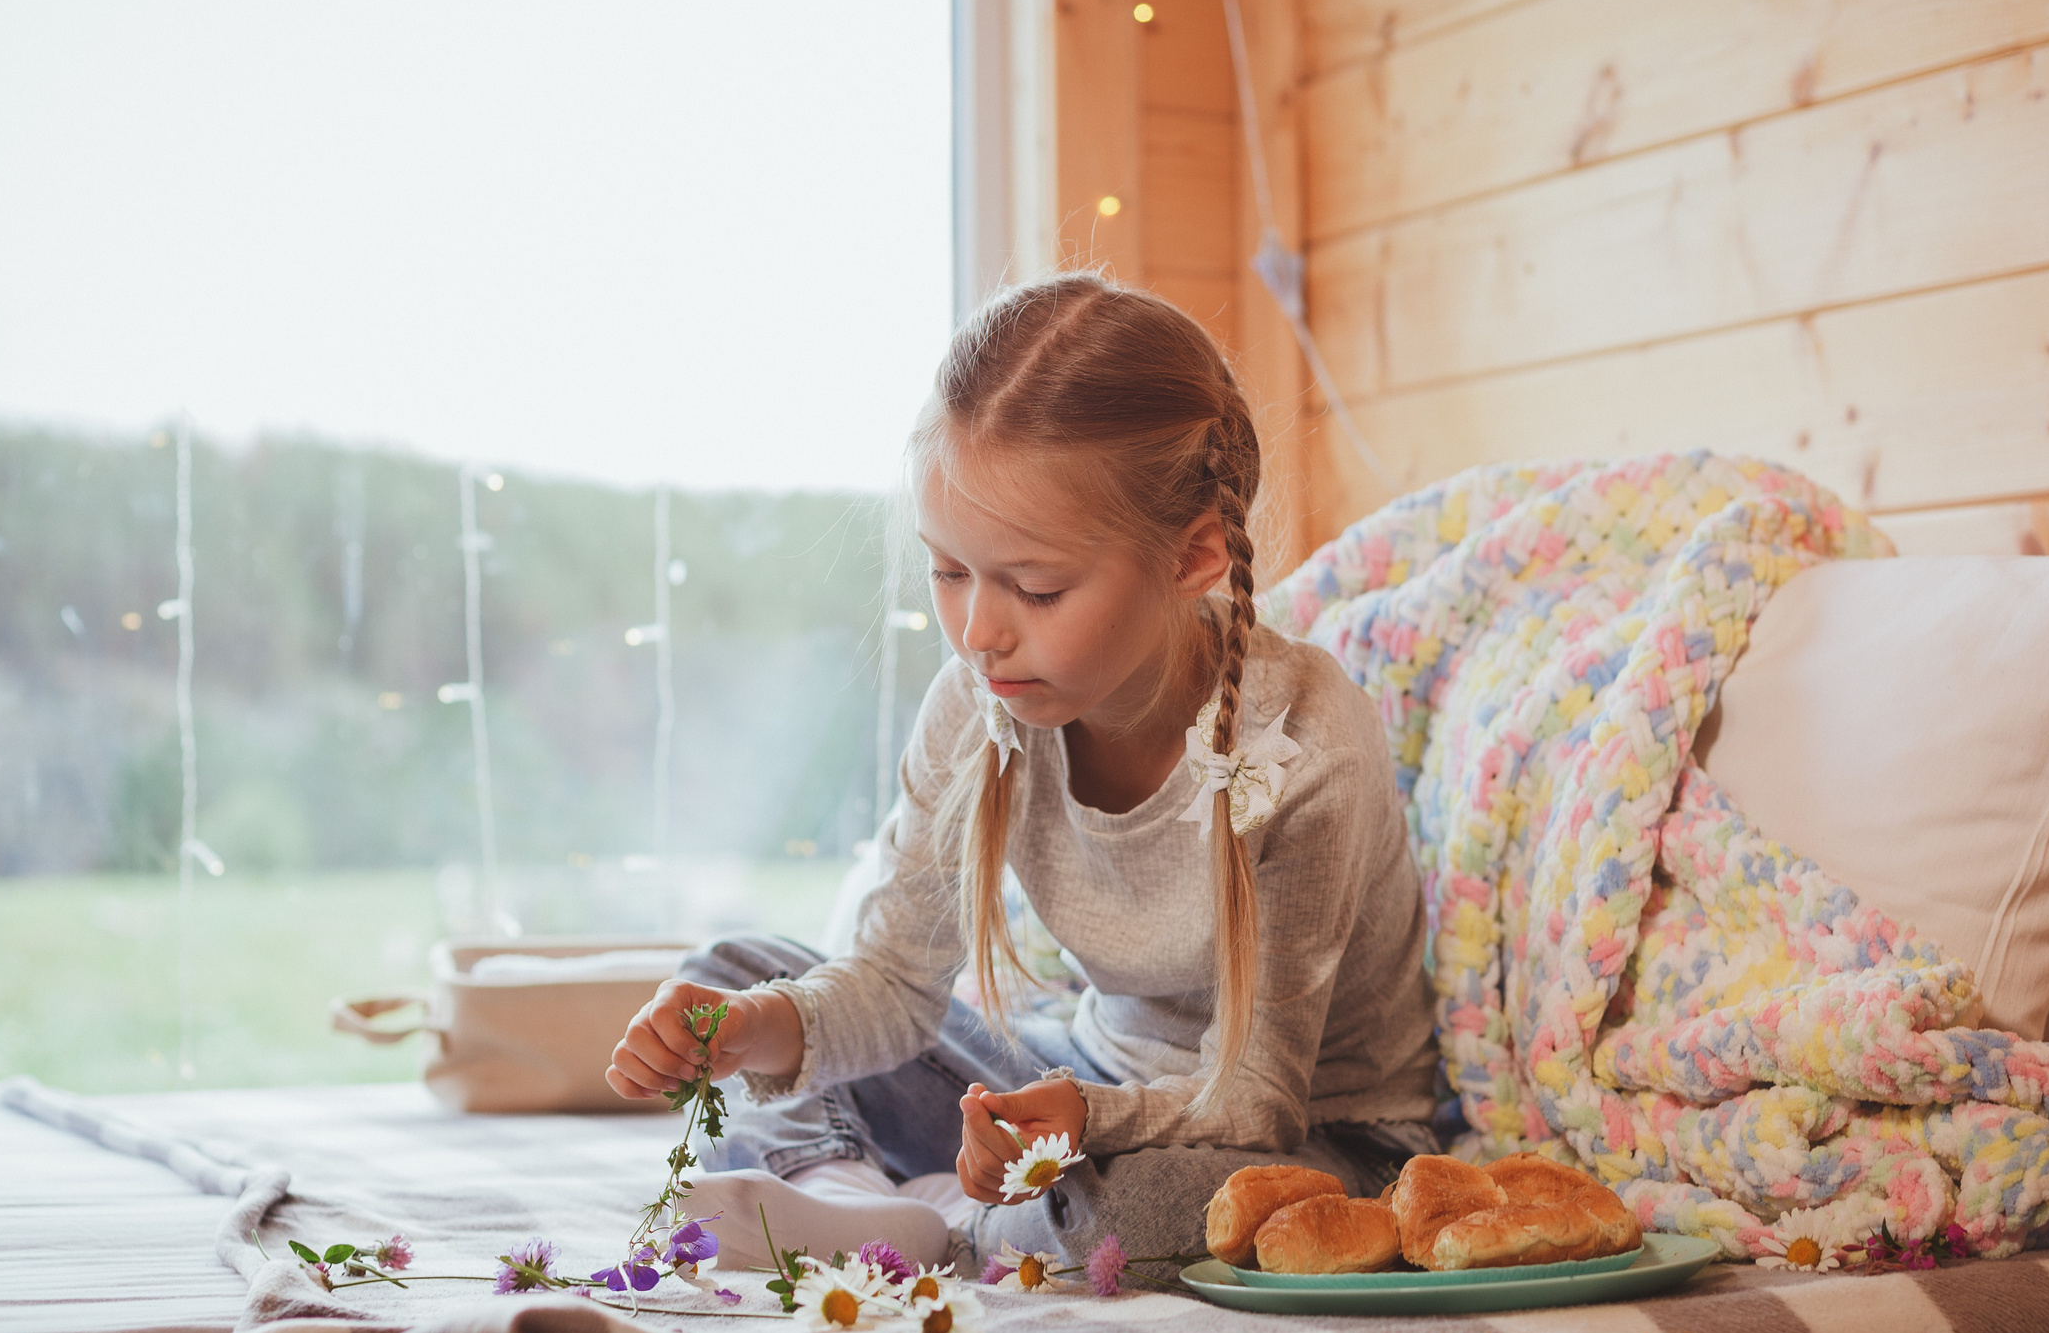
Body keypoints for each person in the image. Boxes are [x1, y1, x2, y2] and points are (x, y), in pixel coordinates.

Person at [606, 271, 1436, 1275]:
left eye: (1035, 588)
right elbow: (894, 984)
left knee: (1135, 1218)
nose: (980, 634)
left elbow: (1260, 1094)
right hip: (1082, 1075)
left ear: (1195, 557)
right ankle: (848, 1197)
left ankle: (934, 1223)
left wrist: (1081, 1123)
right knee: (735, 972)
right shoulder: (981, 699)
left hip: (1306, 1134)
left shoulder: (1302, 742)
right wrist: (756, 1030)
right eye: (948, 572)